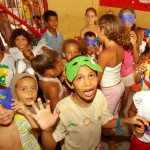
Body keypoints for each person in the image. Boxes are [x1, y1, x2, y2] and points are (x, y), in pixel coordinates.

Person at [29, 55, 149, 150]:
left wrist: (127, 121)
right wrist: (46, 131)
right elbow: (49, 147)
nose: (88, 83)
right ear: (70, 84)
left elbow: (104, 121)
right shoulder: (63, 108)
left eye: (91, 76)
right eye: (79, 78)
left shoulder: (99, 95)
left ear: (98, 78)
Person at [97, 14, 130, 149]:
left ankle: (112, 144)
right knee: (114, 112)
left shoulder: (104, 55)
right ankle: (115, 129)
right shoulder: (120, 47)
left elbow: (97, 79)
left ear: (104, 31)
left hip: (109, 90)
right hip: (119, 86)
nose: (97, 33)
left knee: (105, 119)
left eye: (99, 30)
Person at [0, 85, 41, 150]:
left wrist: (26, 111)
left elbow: (38, 130)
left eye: (5, 106)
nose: (2, 112)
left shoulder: (21, 119)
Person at [25, 46, 65, 112]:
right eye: (60, 64)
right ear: (52, 71)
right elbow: (56, 109)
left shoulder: (42, 76)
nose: (63, 65)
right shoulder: (52, 87)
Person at [118, 7, 139, 118]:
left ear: (134, 20)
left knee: (125, 96)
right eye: (124, 18)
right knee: (116, 94)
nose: (127, 22)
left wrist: (134, 44)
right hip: (117, 71)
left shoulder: (135, 35)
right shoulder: (117, 35)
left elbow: (136, 59)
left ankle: (121, 112)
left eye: (130, 18)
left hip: (128, 72)